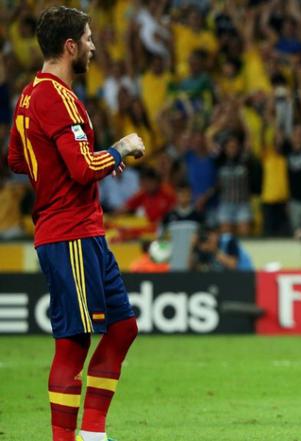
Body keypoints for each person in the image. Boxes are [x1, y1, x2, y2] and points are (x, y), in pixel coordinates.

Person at [5, 6, 146, 441]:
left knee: (122, 328)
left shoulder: (30, 95)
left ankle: (94, 434)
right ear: (70, 46)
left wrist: (78, 165)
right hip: (70, 234)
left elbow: (15, 159)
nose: (93, 46)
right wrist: (119, 149)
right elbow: (84, 169)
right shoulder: (57, 97)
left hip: (82, 230)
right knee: (74, 343)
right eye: (87, 39)